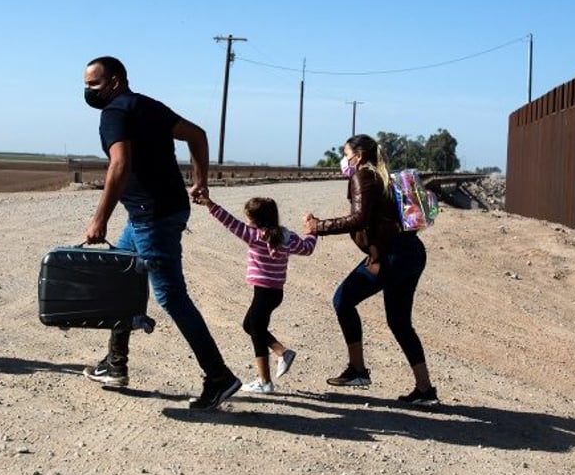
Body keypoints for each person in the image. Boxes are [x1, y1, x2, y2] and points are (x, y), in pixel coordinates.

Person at [81, 55, 241, 410]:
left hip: (151, 216)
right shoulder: (147, 106)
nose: (88, 90)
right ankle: (115, 365)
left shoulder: (115, 114)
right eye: (86, 84)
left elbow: (119, 164)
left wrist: (99, 219)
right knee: (122, 282)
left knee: (171, 297)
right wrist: (200, 182)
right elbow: (197, 136)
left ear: (115, 81)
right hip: (156, 211)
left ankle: (219, 376)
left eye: (94, 83)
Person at [302, 134, 438, 405]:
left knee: (343, 299)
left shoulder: (362, 177)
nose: (344, 160)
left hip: (390, 257)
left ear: (359, 156)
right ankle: (425, 390)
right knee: (399, 322)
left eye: (346, 154)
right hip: (410, 253)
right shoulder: (381, 177)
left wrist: (319, 226)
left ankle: (358, 370)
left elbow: (358, 218)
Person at [195, 194, 317, 393]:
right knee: (249, 325)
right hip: (275, 293)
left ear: (256, 220)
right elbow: (307, 248)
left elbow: (228, 221)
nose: (245, 221)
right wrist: (312, 231)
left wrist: (209, 204)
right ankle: (281, 352)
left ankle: (265, 382)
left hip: (263, 293)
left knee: (257, 331)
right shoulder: (288, 237)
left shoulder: (253, 235)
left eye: (248, 218)